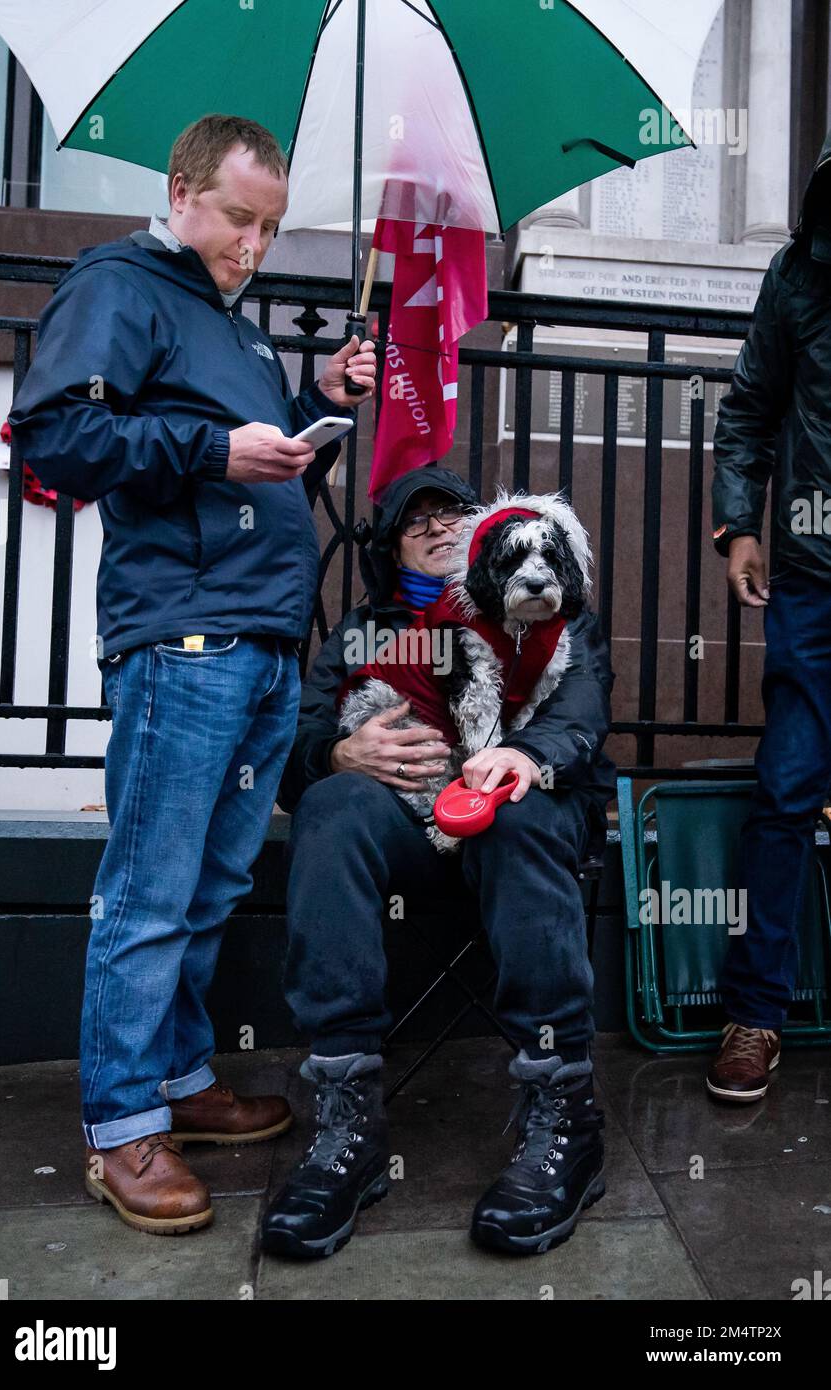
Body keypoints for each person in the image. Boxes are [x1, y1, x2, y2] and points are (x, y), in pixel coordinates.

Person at [7, 114, 377, 1234]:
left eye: (270, 226)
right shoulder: (117, 283)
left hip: (262, 641)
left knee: (210, 887)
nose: (253, 245)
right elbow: (55, 438)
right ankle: (120, 1129)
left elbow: (249, 469)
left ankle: (175, 1082)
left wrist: (321, 402)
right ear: (180, 191)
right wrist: (215, 448)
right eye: (237, 217)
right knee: (150, 891)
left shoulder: (238, 330)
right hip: (185, 641)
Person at [260, 463, 617, 1259]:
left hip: (524, 825)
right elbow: (299, 748)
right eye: (414, 520)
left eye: (452, 511)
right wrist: (339, 751)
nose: (437, 527)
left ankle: (566, 1117)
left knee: (519, 815)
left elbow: (585, 707)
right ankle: (347, 1116)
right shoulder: (364, 631)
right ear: (391, 548)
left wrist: (526, 755)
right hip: (408, 835)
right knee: (329, 807)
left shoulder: (552, 600)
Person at [710, 131, 831, 1103]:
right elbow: (748, 409)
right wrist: (733, 527)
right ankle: (753, 1014)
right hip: (810, 578)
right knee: (785, 790)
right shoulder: (798, 274)